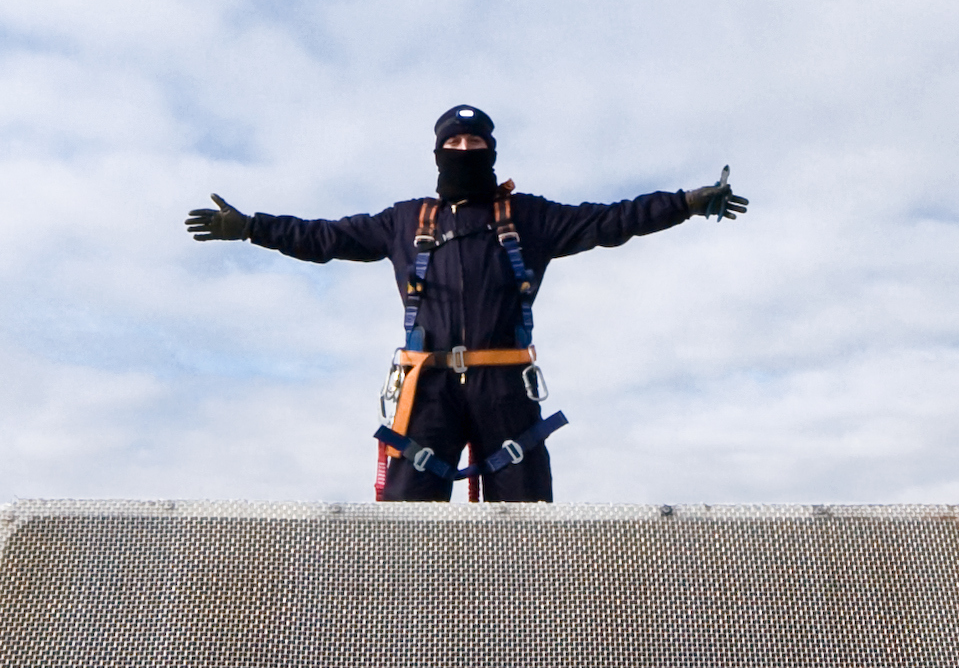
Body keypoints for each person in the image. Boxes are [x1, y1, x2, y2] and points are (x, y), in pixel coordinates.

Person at [185, 106, 749, 501]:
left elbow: (613, 220)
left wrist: (687, 202)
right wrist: (252, 227)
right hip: (426, 389)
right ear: (437, 154)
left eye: (474, 145)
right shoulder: (405, 222)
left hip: (506, 389)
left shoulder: (529, 218)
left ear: (492, 153)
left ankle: (526, 636)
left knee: (525, 520)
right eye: (453, 145)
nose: (464, 151)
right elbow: (324, 238)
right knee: (406, 529)